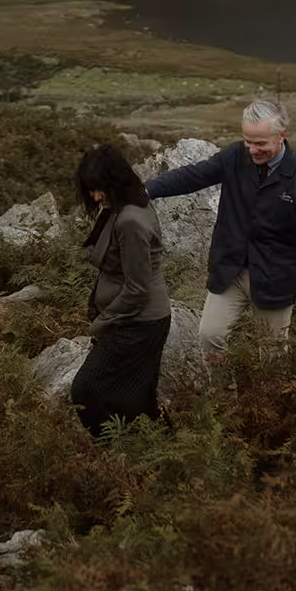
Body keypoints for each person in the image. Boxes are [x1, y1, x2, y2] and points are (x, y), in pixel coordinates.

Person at [145, 99, 296, 367]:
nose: (252, 150)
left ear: (282, 136)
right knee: (209, 336)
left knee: (273, 357)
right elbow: (194, 176)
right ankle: (224, 399)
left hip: (275, 280)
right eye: (248, 141)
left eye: (261, 144)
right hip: (229, 272)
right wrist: (146, 190)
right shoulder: (235, 156)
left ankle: (267, 404)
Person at [70, 143, 172, 437]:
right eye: (90, 189)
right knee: (136, 399)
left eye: (98, 189)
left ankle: (114, 452)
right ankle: (148, 456)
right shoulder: (124, 205)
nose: (94, 196)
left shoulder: (131, 220)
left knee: (86, 390)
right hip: (132, 318)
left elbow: (137, 288)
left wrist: (102, 323)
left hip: (139, 322)